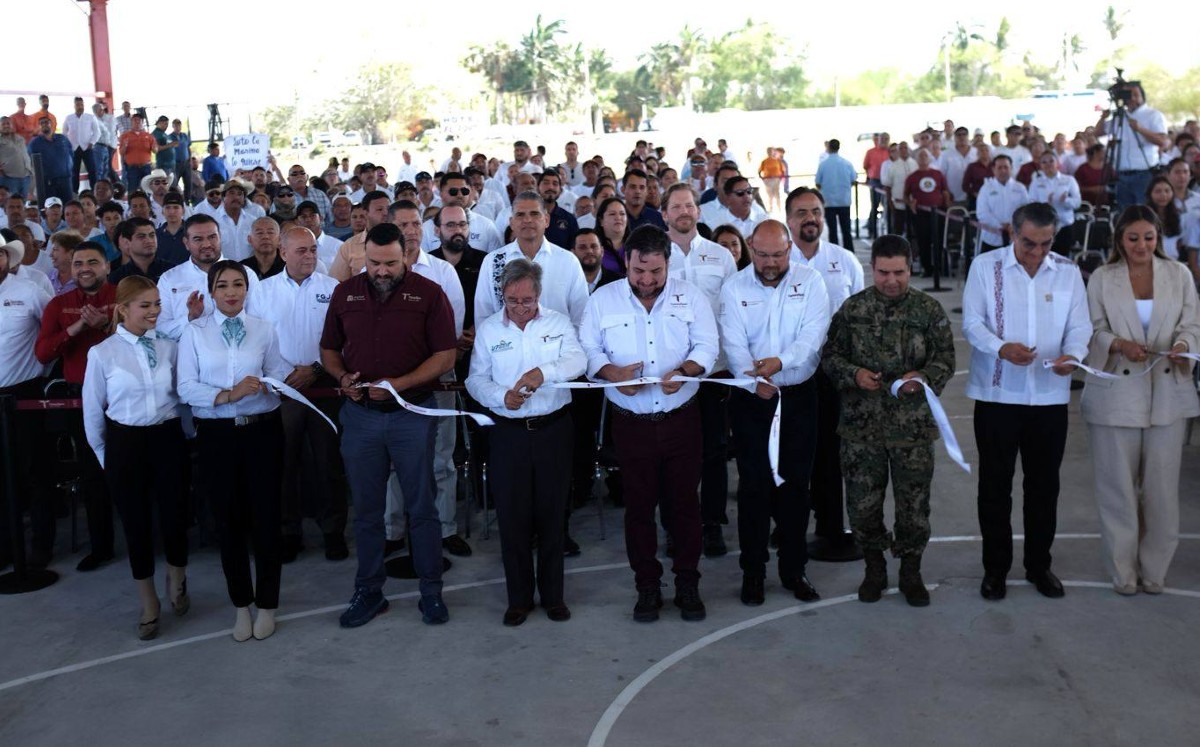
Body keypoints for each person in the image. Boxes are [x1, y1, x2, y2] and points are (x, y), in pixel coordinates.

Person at [579, 225, 719, 623]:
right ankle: (647, 585)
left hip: (681, 421)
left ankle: (688, 582)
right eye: (639, 271)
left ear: (668, 264)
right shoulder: (603, 300)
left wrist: (688, 370)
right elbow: (588, 348)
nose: (646, 280)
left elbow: (708, 345)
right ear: (627, 262)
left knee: (685, 506)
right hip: (631, 424)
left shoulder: (691, 297)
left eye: (655, 272)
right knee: (638, 508)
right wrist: (610, 372)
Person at [320, 222, 457, 628]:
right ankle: (370, 591)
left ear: (407, 256)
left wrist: (398, 386)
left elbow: (446, 355)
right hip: (360, 418)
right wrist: (341, 377)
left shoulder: (430, 294)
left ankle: (431, 591)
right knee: (366, 511)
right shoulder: (345, 292)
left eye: (391, 263)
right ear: (364, 257)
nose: (381, 271)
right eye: (374, 263)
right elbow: (328, 348)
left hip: (412, 415)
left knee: (421, 508)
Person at [962, 202, 1092, 601]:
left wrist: (1075, 354)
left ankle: (1039, 565)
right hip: (998, 396)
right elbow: (972, 323)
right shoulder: (986, 267)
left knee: (1044, 487)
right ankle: (995, 570)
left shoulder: (1068, 272)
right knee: (995, 488)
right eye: (1029, 244)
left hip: (1050, 399)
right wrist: (1001, 349)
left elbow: (1080, 325)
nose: (1037, 253)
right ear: (1012, 234)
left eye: (1045, 243)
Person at [822, 234, 955, 606]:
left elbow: (945, 358)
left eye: (898, 272)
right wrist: (854, 375)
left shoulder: (928, 311)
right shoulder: (853, 310)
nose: (891, 281)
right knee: (863, 507)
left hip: (912, 432)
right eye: (883, 273)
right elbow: (830, 357)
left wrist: (924, 378)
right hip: (861, 431)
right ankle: (874, 568)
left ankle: (911, 571)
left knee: (914, 509)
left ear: (910, 269)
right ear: (872, 269)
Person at [1080, 206, 1199, 594]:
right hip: (1116, 396)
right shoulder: (1101, 278)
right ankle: (1122, 570)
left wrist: (1183, 346)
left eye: (1148, 237)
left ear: (1158, 236)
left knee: (1162, 492)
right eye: (1133, 238)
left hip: (1168, 395)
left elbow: (1192, 325)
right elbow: (1091, 330)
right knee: (1117, 488)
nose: (1141, 246)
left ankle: (1154, 569)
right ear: (1119, 239)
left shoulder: (1179, 274)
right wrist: (1117, 344)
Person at [466, 259, 585, 625]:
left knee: (552, 515)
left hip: (553, 430)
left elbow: (578, 360)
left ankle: (553, 597)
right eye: (513, 300)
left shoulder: (558, 323)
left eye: (527, 301)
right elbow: (474, 380)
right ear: (502, 295)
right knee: (513, 519)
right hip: (508, 434)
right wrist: (502, 397)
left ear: (538, 295)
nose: (519, 308)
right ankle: (518, 599)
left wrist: (542, 373)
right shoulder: (488, 330)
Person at [719, 220, 830, 604]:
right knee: (753, 488)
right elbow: (732, 343)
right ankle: (753, 573)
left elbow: (813, 337)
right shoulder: (734, 288)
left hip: (798, 396)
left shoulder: (811, 281)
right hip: (752, 398)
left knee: (796, 486)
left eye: (778, 255)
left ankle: (793, 570)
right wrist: (753, 380)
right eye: (762, 254)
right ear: (750, 246)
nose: (769, 263)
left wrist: (779, 363)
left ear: (790, 249)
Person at [177, 260, 288, 641]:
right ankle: (241, 605)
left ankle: (268, 604)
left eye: (238, 284)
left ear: (247, 289)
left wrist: (282, 381)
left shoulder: (264, 329)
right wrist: (227, 395)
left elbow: (277, 374)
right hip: (217, 435)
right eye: (222, 285)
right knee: (229, 521)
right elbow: (186, 387)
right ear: (211, 291)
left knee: (267, 519)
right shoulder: (194, 333)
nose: (231, 292)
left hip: (262, 433)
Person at [82, 276, 190, 639]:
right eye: (145, 305)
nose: (154, 311)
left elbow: (182, 396)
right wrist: (106, 457)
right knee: (136, 523)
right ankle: (148, 601)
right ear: (123, 308)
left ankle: (177, 577)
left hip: (168, 437)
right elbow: (93, 412)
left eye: (157, 304)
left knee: (176, 514)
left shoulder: (169, 347)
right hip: (125, 443)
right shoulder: (102, 353)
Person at [255, 226, 347, 563]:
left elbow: (343, 339)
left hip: (324, 388)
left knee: (328, 462)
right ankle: (289, 532)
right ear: (282, 253)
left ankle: (333, 530)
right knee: (284, 464)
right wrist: (283, 377)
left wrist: (316, 370)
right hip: (281, 392)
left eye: (313, 250)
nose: (310, 256)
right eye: (301, 251)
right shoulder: (262, 292)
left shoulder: (332, 288)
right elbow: (257, 341)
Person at [784, 187, 865, 558]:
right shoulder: (776, 263)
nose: (810, 218)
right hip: (793, 373)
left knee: (832, 453)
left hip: (835, 375)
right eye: (801, 212)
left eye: (815, 211)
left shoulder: (845, 261)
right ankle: (788, 525)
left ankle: (831, 525)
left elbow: (862, 319)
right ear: (788, 219)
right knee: (793, 453)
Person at [662, 183, 738, 555]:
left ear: (699, 210)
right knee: (673, 453)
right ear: (664, 214)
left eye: (689, 205)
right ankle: (676, 525)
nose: (684, 212)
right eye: (676, 206)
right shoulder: (653, 254)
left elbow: (734, 310)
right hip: (669, 372)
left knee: (713, 451)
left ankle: (711, 524)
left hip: (714, 371)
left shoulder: (722, 256)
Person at [35, 241, 118, 572]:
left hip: (125, 395)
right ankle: (102, 546)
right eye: (78, 262)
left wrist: (105, 325)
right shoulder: (59, 304)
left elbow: (148, 335)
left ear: (107, 266)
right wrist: (78, 327)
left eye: (93, 262)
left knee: (133, 468)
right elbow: (43, 353)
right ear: (69, 269)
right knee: (91, 472)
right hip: (80, 396)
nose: (85, 268)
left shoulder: (122, 296)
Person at [474, 191, 589, 327]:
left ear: (546, 220)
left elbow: (580, 316)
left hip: (559, 345)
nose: (527, 220)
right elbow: (484, 316)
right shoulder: (493, 261)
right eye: (520, 215)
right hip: (507, 345)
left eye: (534, 214)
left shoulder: (568, 261)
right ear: (511, 222)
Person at [155, 214, 261, 341]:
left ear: (220, 237)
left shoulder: (246, 274)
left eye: (212, 237)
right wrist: (190, 318)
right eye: (198, 239)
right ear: (186, 243)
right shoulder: (169, 279)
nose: (206, 244)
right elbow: (160, 330)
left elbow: (257, 321)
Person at [1097, 82, 1170, 213]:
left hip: (1144, 174)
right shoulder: (1119, 117)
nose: (1132, 98)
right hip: (1121, 175)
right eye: (1128, 95)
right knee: (1125, 215)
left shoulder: (1153, 115)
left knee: (1146, 212)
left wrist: (1140, 129)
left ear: (1142, 96)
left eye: (1135, 94)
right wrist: (1103, 118)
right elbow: (1097, 133)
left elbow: (1163, 142)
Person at [904, 149, 951, 277]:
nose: (923, 158)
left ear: (929, 158)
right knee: (923, 241)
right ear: (916, 160)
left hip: (939, 212)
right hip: (921, 214)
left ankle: (939, 267)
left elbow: (945, 191)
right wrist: (910, 203)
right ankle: (927, 268)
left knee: (939, 240)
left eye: (925, 155)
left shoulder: (938, 174)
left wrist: (947, 208)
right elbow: (905, 195)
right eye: (920, 156)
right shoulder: (912, 177)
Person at [1027, 151, 1082, 255]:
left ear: (1057, 163)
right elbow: (1031, 205)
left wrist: (1065, 201)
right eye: (1044, 162)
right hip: (1043, 227)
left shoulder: (1069, 180)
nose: (1048, 164)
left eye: (1051, 161)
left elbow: (1077, 203)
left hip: (1065, 226)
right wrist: (1045, 205)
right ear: (1040, 165)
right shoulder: (1036, 182)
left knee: (1064, 259)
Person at [975, 155, 1030, 253]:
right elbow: (982, 213)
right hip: (991, 239)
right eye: (999, 168)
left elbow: (1026, 211)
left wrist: (1013, 226)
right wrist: (1000, 225)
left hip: (1015, 239)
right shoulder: (986, 188)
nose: (1003, 171)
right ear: (993, 169)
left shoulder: (1020, 188)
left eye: (1006, 167)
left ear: (1011, 168)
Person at [814, 139, 857, 249]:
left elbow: (818, 182)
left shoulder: (823, 164)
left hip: (829, 202)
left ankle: (834, 255)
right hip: (844, 201)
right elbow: (853, 180)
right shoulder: (847, 163)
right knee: (846, 230)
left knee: (832, 231)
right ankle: (850, 254)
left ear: (828, 147)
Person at [108, 217, 171, 283]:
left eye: (152, 235)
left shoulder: (172, 271)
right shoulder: (117, 277)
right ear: (127, 242)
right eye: (141, 236)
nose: (149, 241)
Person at [27, 117, 74, 204]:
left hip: (65, 180)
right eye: (42, 123)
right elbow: (30, 161)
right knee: (52, 208)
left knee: (68, 205)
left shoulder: (62, 139)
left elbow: (71, 154)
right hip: (48, 182)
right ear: (39, 126)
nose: (45, 124)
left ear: (51, 124)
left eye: (46, 122)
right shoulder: (35, 143)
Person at [63, 98, 101, 193]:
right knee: (74, 172)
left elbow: (97, 132)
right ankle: (74, 193)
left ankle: (94, 193)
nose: (80, 107)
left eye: (81, 105)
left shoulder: (90, 117)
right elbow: (64, 132)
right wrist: (68, 146)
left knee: (92, 171)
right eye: (78, 105)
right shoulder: (69, 118)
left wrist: (92, 142)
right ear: (74, 106)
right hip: (74, 149)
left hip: (87, 147)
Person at [1144, 176, 1185, 261]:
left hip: (1174, 263)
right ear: (1150, 194)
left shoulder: (1180, 216)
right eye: (1158, 191)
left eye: (1167, 191)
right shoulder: (1143, 217)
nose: (1163, 195)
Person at [118, 115, 155, 191]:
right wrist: (124, 146)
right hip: (132, 168)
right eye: (135, 120)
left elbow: (155, 150)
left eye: (139, 121)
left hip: (146, 167)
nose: (137, 122)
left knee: (147, 190)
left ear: (142, 123)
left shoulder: (149, 136)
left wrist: (155, 148)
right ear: (131, 122)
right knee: (132, 189)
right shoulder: (125, 136)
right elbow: (121, 153)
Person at [0, 116, 34, 197]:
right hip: (9, 178)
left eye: (8, 123)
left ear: (12, 125)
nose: (6, 126)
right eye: (3, 124)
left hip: (26, 177)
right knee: (10, 204)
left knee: (23, 204)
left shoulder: (20, 138)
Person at [595, 197, 630, 275]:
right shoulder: (593, 248)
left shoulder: (636, 245)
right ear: (601, 221)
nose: (618, 218)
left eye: (622, 214)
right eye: (612, 214)